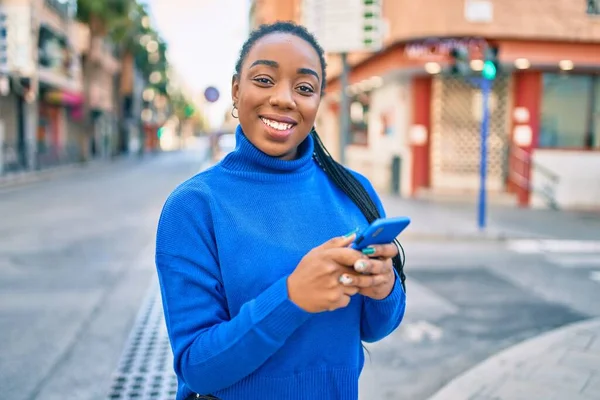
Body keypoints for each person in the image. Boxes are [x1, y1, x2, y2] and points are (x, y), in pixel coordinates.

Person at [155, 21, 407, 400]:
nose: (285, 98)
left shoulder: (353, 191)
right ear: (236, 90)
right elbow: (197, 367)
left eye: (305, 88)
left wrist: (384, 288)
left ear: (317, 102)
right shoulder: (193, 206)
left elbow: (375, 327)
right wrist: (292, 297)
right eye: (264, 79)